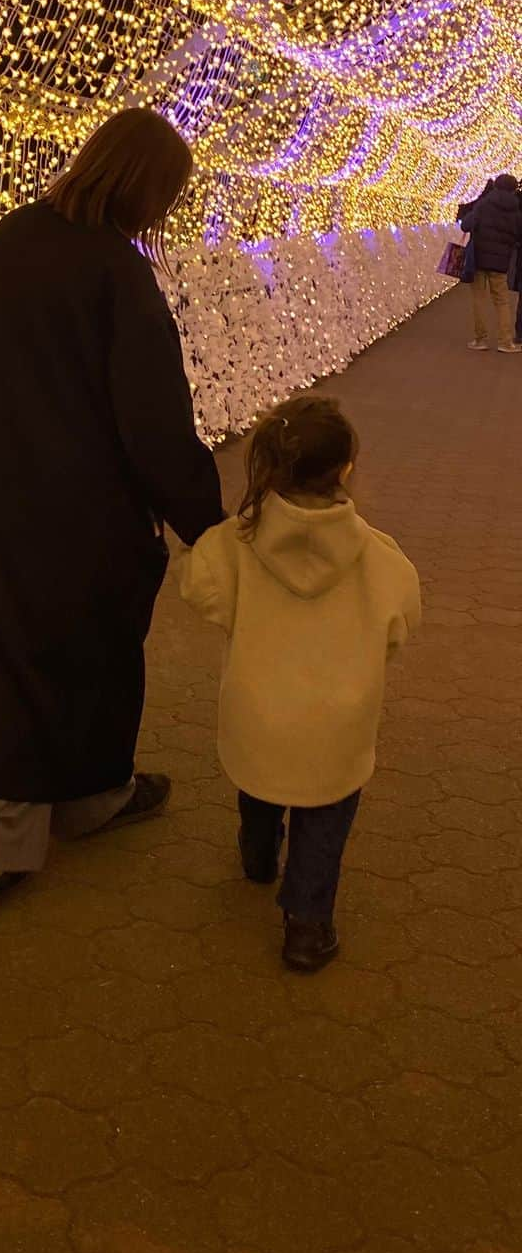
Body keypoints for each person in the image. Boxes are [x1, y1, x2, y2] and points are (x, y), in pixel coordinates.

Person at [0, 108, 224, 920]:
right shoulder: (118, 271)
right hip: (87, 505)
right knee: (89, 648)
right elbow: (153, 419)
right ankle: (72, 810)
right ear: (149, 190)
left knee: (0, 650)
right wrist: (208, 519)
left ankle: (15, 836)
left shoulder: (15, 236)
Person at [179, 395, 420, 973]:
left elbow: (199, 589)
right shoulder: (382, 560)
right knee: (325, 814)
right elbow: (399, 626)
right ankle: (307, 926)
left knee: (261, 784)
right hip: (339, 722)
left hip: (258, 709)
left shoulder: (233, 546)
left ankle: (258, 854)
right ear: (345, 469)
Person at [463, 172, 522, 353]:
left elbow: (466, 224)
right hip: (501, 262)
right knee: (502, 301)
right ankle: (505, 342)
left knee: (479, 299)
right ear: (513, 190)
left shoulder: (483, 204)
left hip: (479, 259)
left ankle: (481, 340)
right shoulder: (516, 211)